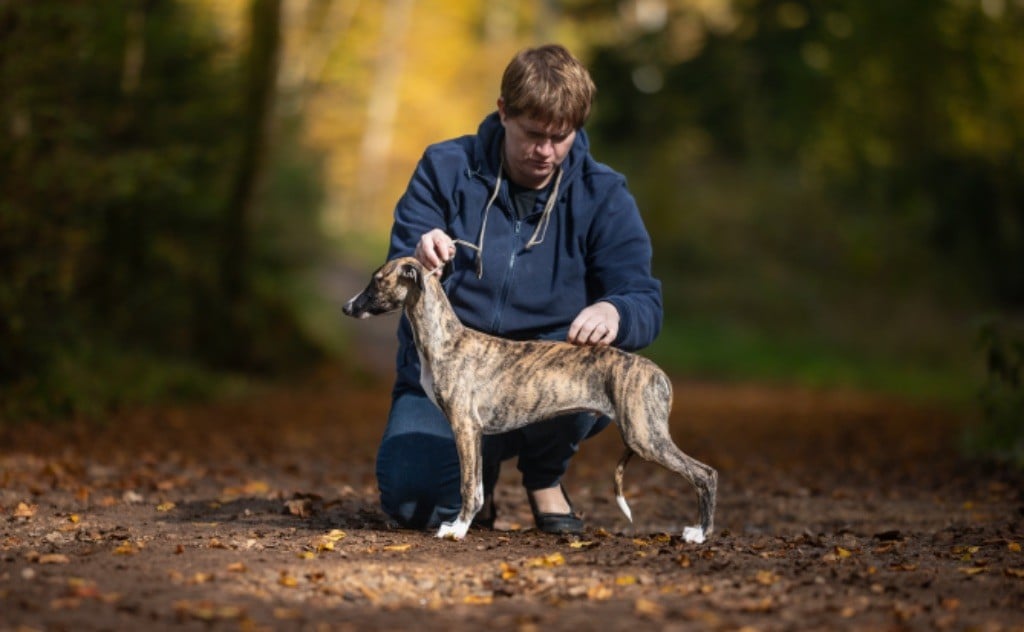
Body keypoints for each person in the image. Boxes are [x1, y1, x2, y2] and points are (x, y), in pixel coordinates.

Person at [376, 44, 663, 534]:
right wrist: (417, 257)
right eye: (533, 135)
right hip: (449, 377)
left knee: (582, 370)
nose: (546, 152)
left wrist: (616, 311)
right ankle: (478, 467)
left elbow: (644, 299)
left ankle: (544, 477)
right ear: (503, 112)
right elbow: (395, 271)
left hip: (543, 376)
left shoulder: (604, 193)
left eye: (561, 137)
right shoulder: (445, 167)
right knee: (413, 504)